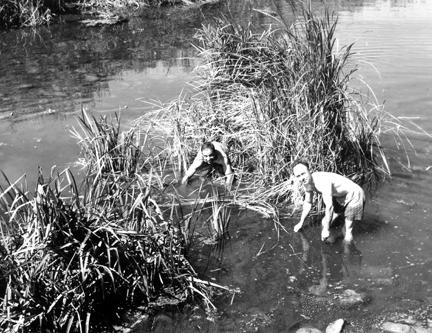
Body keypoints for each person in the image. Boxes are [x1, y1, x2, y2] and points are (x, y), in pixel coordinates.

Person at [292, 160, 365, 243]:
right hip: (340, 197)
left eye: (303, 173)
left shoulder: (322, 181)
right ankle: (331, 245)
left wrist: (326, 230)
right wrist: (301, 222)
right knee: (324, 222)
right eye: (298, 176)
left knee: (346, 231)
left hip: (355, 195)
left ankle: (347, 253)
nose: (302, 178)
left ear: (309, 171)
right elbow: (308, 203)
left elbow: (329, 206)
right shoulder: (307, 182)